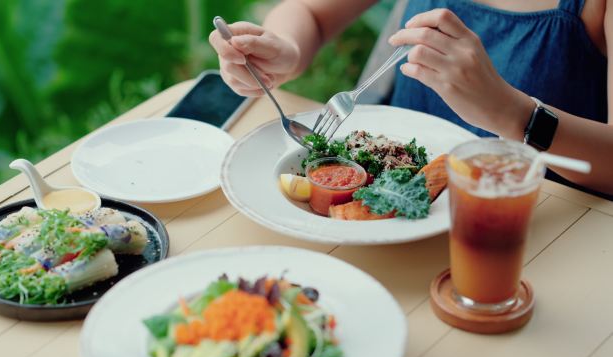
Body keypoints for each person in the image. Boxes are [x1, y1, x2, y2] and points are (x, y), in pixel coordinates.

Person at [208, 0, 613, 198]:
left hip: (538, 231)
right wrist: (284, 49)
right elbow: (310, 13)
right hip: (393, 212)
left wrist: (514, 113)